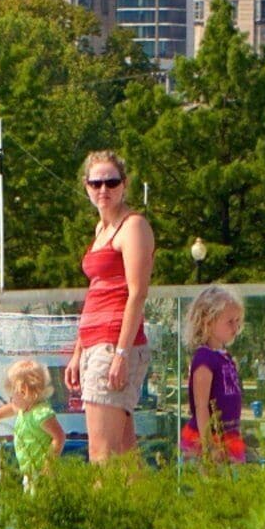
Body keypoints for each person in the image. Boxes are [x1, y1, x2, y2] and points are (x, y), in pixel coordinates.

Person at [73, 148, 155, 465]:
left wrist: (120, 354)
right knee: (123, 454)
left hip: (114, 344)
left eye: (111, 182)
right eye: (96, 183)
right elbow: (97, 290)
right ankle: (147, 512)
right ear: (86, 186)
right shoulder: (101, 230)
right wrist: (79, 350)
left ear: (124, 184)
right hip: (95, 343)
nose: (103, 190)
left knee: (101, 455)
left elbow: (136, 293)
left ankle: (100, 514)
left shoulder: (132, 226)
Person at [181, 285, 248, 465]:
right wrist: (208, 446)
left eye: (237, 321)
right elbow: (201, 405)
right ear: (208, 322)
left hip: (229, 433)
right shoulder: (205, 359)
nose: (236, 327)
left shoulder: (224, 357)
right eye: (229, 322)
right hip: (211, 436)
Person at [0, 355, 60, 484]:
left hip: (41, 471)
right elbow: (10, 408)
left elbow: (59, 437)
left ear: (25, 392)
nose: (11, 400)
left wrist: (49, 463)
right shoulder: (24, 408)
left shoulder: (40, 414)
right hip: (29, 471)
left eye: (13, 395)